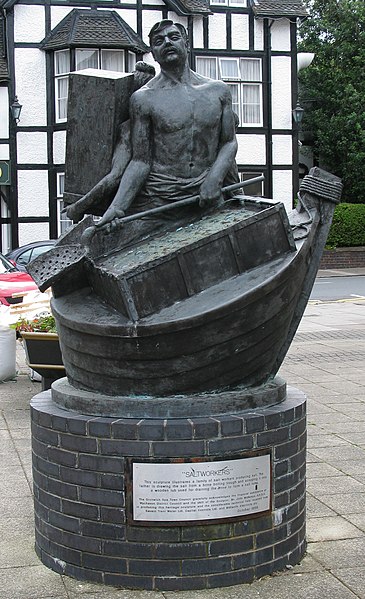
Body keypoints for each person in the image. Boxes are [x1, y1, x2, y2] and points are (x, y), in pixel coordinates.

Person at [96, 19, 238, 232]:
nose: (167, 43)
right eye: (159, 41)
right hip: (160, 202)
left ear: (186, 44)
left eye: (174, 37)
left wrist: (214, 179)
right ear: (153, 53)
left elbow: (228, 143)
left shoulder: (218, 91)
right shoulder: (143, 99)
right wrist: (117, 206)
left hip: (206, 197)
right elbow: (140, 161)